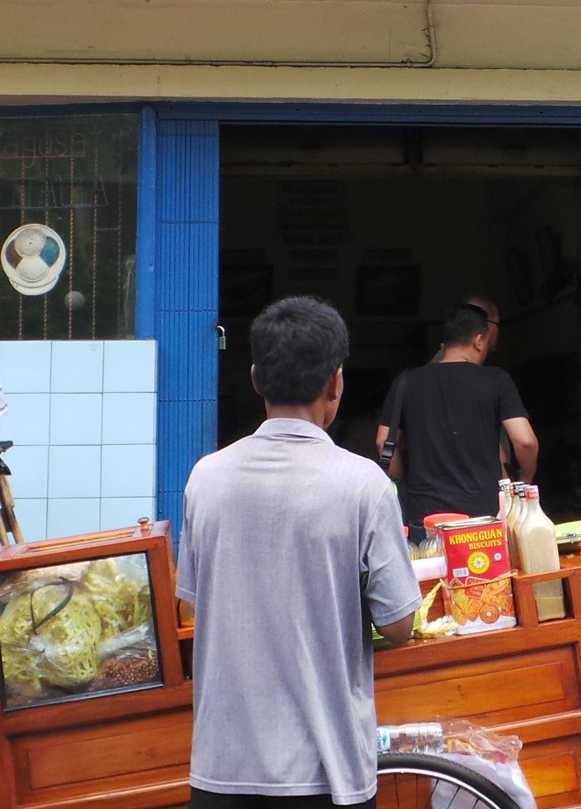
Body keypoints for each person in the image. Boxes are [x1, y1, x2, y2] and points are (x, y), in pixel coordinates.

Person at [178, 296, 421, 809]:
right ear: (336, 382)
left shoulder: (205, 479)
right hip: (326, 775)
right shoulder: (364, 485)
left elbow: (191, 605)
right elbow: (399, 625)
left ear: (255, 379)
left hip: (222, 771)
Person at [375, 298, 540, 528]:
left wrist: (402, 482)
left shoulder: (406, 382)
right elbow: (525, 441)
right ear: (479, 341)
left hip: (426, 516)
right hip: (483, 516)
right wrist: (524, 480)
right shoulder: (496, 380)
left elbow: (383, 442)